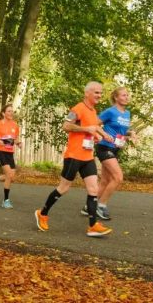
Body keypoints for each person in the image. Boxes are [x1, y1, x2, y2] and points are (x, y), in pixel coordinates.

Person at [34, 81, 113, 237]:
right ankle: (42, 213)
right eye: (96, 92)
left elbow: (94, 126)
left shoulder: (92, 111)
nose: (100, 95)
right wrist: (85, 129)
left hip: (88, 156)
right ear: (87, 93)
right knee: (63, 188)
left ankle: (92, 226)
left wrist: (101, 135)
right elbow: (66, 126)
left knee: (93, 189)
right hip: (74, 156)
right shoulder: (77, 109)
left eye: (101, 93)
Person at [81, 86, 134, 220]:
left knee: (105, 180)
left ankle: (89, 207)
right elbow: (94, 124)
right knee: (118, 177)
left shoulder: (127, 113)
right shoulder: (110, 111)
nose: (126, 97)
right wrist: (103, 134)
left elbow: (120, 131)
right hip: (105, 148)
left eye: (127, 95)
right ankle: (101, 205)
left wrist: (130, 133)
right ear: (116, 97)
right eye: (123, 95)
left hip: (115, 149)